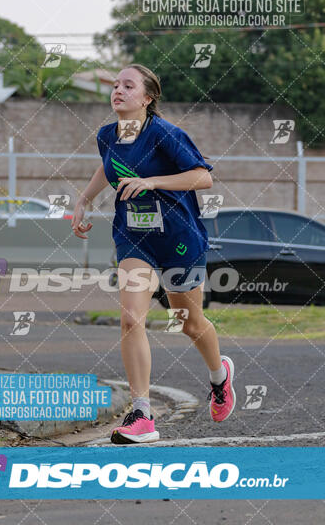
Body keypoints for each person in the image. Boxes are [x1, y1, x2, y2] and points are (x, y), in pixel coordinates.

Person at [71, 64, 236, 444]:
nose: (118, 91)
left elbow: (203, 176)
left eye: (128, 86)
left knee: (189, 322)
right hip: (134, 238)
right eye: (115, 85)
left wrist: (152, 181)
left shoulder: (165, 133)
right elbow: (107, 165)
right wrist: (84, 197)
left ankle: (219, 376)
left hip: (179, 239)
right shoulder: (106, 135)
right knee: (131, 319)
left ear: (147, 98)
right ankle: (142, 413)